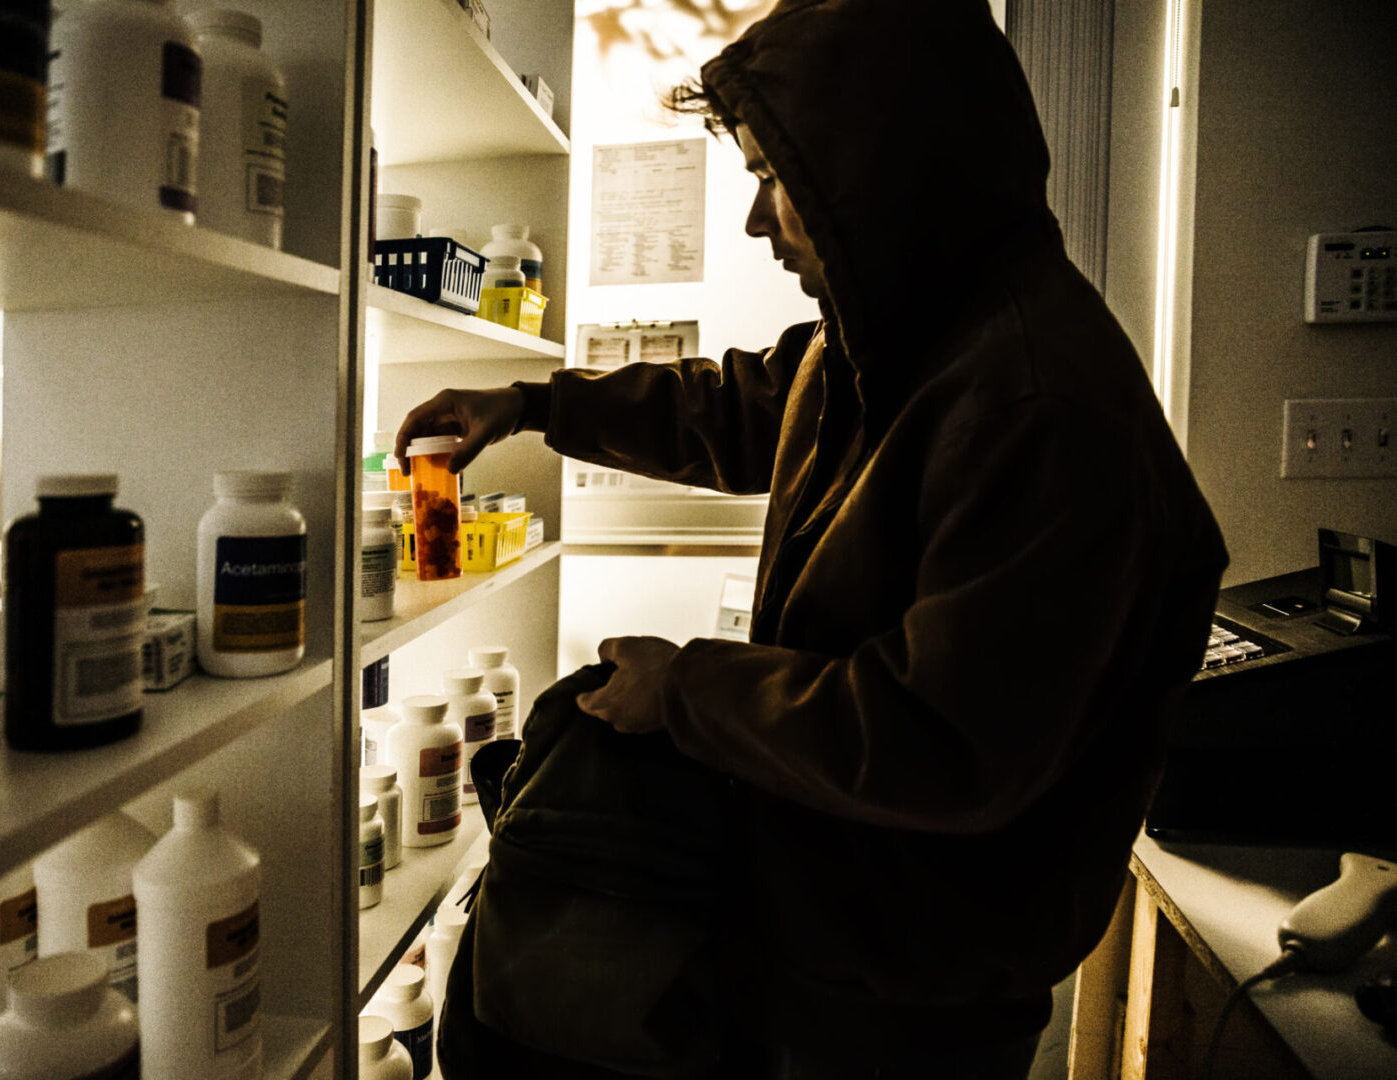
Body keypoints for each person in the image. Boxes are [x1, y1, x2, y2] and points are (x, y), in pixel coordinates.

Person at [397, 0, 1229, 1075]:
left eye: (773, 179)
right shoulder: (905, 337)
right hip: (835, 939)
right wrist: (532, 405)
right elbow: (734, 406)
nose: (758, 221)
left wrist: (684, 691)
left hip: (916, 990)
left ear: (877, 173)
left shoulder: (1037, 405)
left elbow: (941, 738)